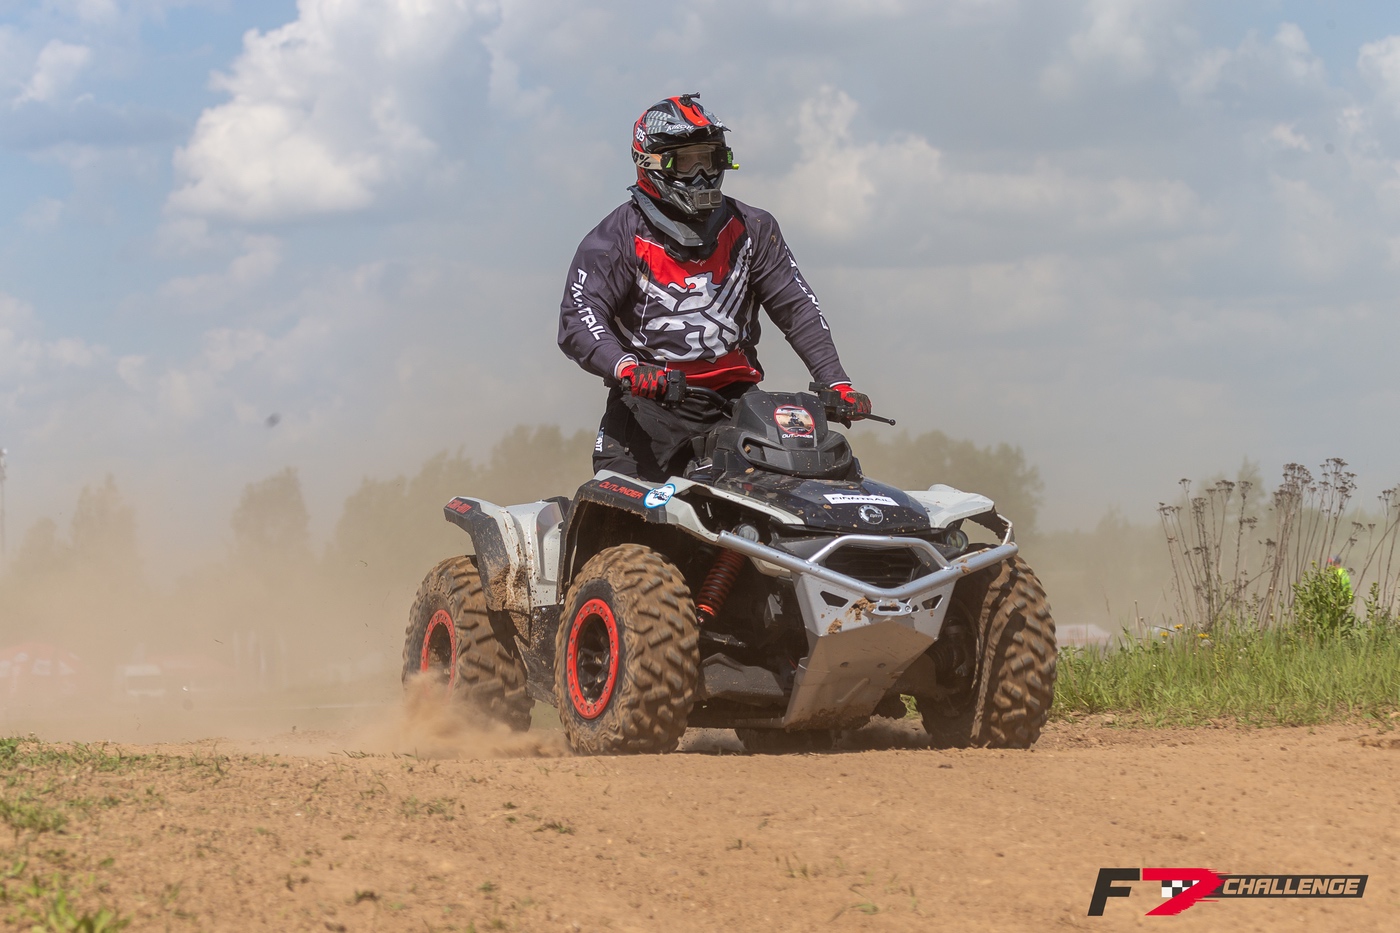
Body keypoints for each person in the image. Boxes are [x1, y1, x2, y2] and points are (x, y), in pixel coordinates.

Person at [557, 93, 872, 482]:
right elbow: (579, 316)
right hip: (646, 409)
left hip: (739, 409)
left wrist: (836, 382)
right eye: (685, 161)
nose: (700, 174)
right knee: (621, 510)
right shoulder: (615, 237)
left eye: (708, 159)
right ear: (650, 162)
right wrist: (626, 367)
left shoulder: (754, 228)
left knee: (808, 489)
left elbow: (797, 307)